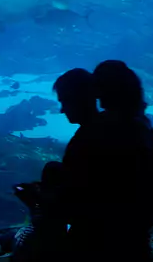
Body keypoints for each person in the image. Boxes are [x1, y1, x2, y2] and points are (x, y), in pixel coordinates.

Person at [89, 60, 153, 261]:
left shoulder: (120, 129)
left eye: (100, 91)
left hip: (119, 221)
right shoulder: (141, 127)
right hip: (137, 221)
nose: (99, 100)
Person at [53, 67, 99, 256]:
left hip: (95, 236)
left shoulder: (84, 142)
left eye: (64, 101)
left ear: (79, 99)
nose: (62, 109)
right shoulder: (115, 128)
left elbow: (77, 199)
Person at [12, 161, 67, 261]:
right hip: (59, 237)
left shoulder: (38, 192)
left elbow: (18, 188)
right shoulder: (66, 194)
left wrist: (36, 188)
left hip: (37, 235)